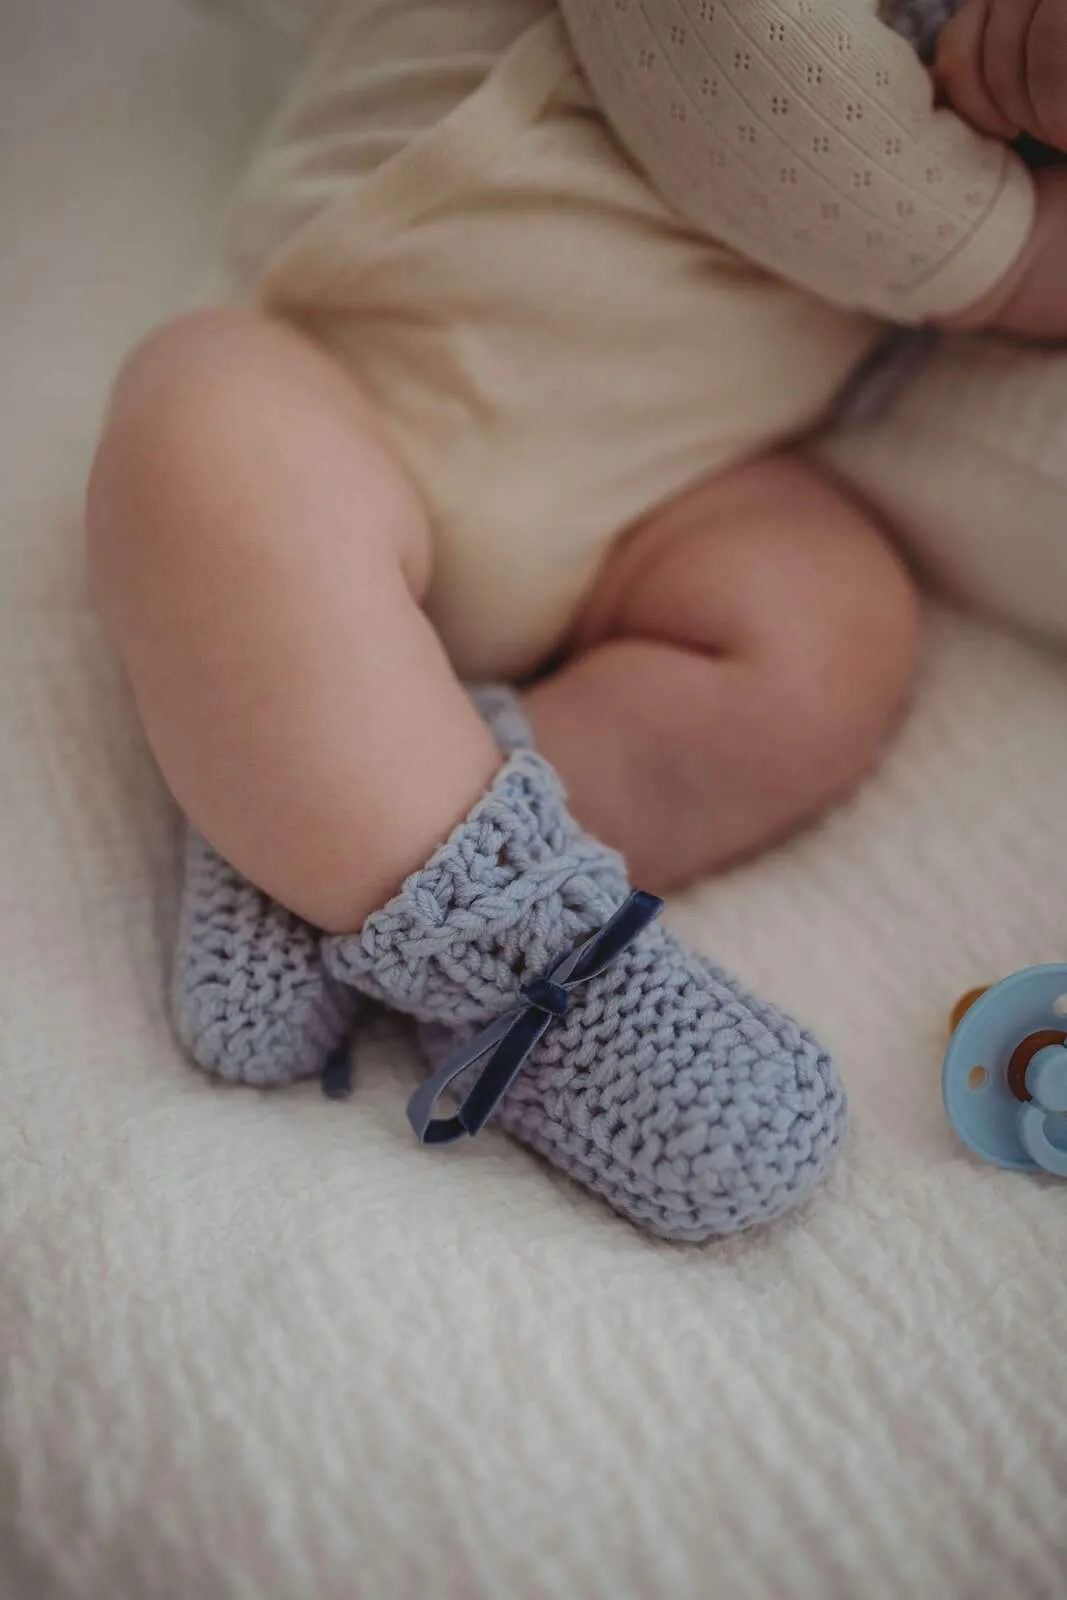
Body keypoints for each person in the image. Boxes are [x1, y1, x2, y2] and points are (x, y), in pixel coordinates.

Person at [84, 0, 1066, 1241]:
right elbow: (782, 115)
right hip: (352, 381)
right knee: (201, 430)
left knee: (827, 641)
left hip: (665, 492)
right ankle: (520, 955)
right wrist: (1021, 250)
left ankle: (316, 829)